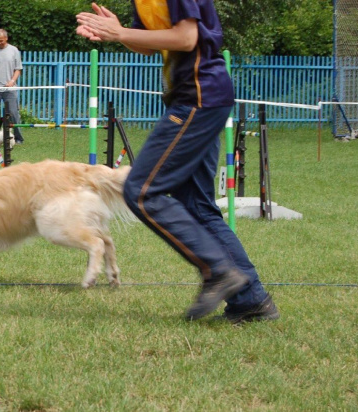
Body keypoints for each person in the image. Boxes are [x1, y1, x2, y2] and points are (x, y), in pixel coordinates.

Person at [76, 1, 279, 323]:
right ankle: (251, 301)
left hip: (199, 97)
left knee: (141, 191)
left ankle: (218, 271)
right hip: (197, 99)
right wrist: (118, 34)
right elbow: (148, 43)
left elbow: (186, 38)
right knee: (198, 207)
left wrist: (120, 31)